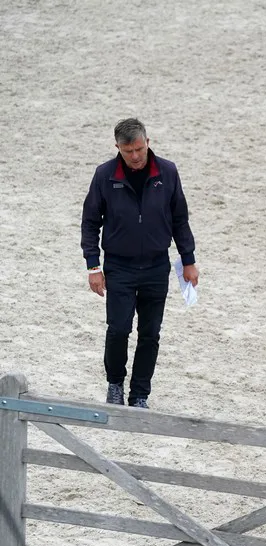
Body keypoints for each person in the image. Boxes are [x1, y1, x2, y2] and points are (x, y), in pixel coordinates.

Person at [81, 118, 199, 409]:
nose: (135, 156)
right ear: (117, 147)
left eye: (139, 149)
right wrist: (94, 267)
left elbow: (180, 219)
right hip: (119, 266)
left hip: (157, 267)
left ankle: (140, 395)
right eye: (127, 151)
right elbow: (90, 222)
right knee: (118, 329)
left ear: (148, 142)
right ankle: (115, 385)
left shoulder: (168, 172)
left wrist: (188, 260)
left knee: (150, 334)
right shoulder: (105, 175)